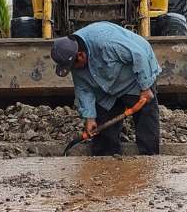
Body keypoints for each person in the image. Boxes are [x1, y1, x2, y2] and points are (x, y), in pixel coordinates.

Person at [51, 22, 162, 156]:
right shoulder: (74, 59)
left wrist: (145, 87)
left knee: (145, 118)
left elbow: (139, 55)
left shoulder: (106, 42)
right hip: (105, 85)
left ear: (80, 55)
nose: (74, 70)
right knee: (103, 129)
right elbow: (83, 89)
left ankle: (149, 158)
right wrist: (90, 117)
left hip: (135, 77)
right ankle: (105, 159)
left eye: (74, 66)